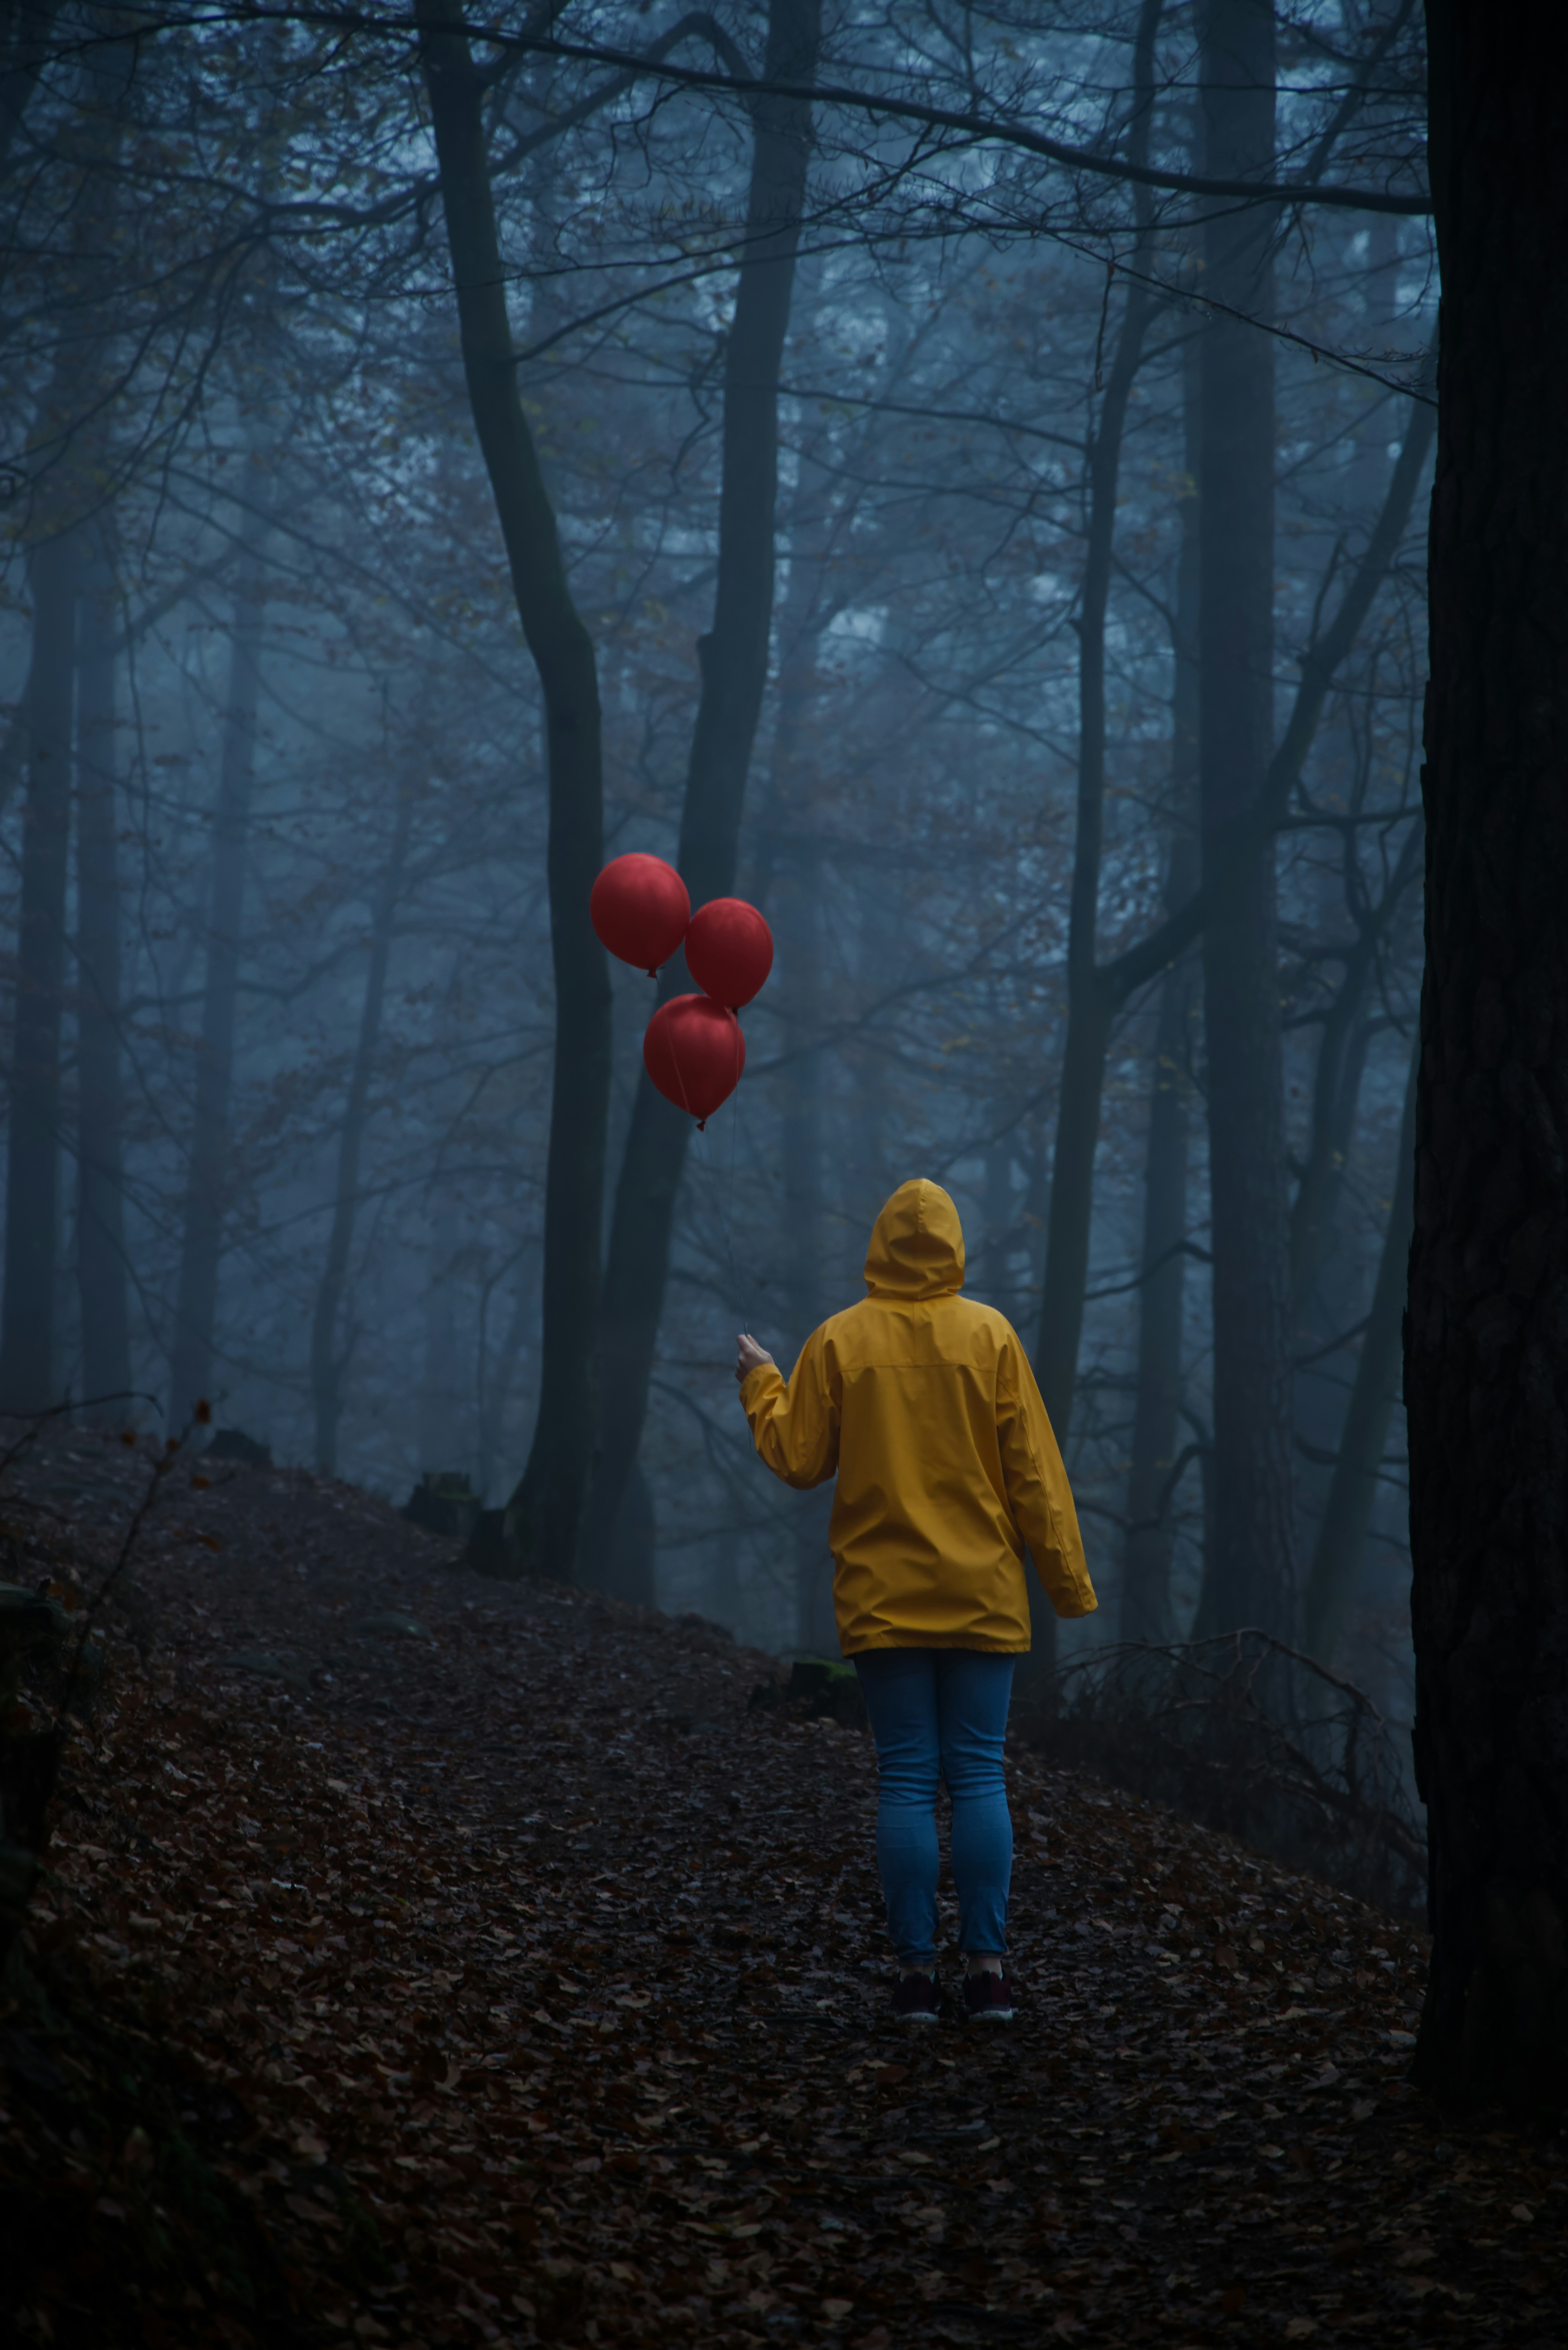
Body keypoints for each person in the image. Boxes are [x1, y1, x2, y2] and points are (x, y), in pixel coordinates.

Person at [735, 1177, 1095, 2025]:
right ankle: (989, 1974)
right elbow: (1035, 1476)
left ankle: (914, 1981)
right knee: (976, 1776)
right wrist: (1067, 1585)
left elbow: (797, 1457)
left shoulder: (839, 1341)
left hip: (883, 1604)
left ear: (881, 1242)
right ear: (954, 1245)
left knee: (904, 1780)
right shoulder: (991, 1336)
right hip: (983, 1599)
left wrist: (761, 1383)